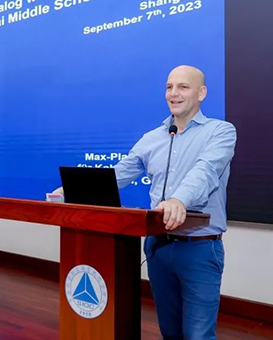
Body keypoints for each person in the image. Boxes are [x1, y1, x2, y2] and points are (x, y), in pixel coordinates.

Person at [53, 65, 236, 339]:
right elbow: (121, 173)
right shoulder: (152, 138)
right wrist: (71, 190)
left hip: (199, 248)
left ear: (201, 93)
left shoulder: (220, 132)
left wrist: (178, 200)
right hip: (158, 247)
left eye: (183, 87)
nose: (174, 93)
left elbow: (206, 171)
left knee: (198, 335)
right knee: (170, 332)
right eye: (169, 87)